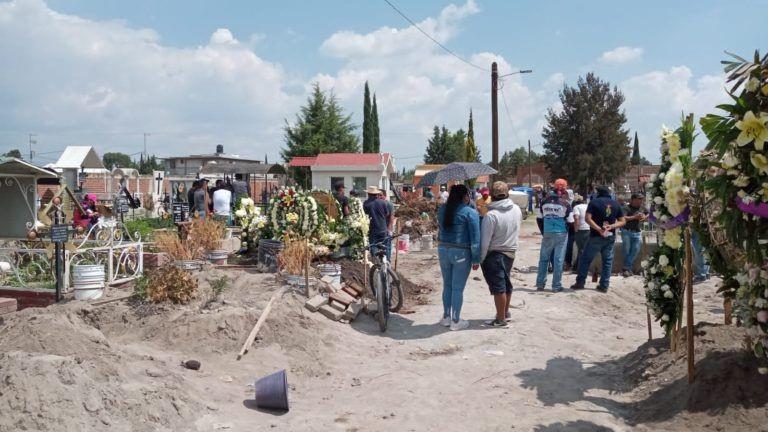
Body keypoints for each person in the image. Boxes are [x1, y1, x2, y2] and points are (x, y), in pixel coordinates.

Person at [437, 184, 480, 331]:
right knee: (457, 288)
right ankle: (456, 320)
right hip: (461, 252)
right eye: (468, 194)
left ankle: (446, 317)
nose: (469, 197)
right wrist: (476, 259)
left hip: (443, 250)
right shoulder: (470, 212)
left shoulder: (442, 209)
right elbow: (475, 240)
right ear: (464, 196)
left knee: (447, 285)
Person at [479, 182, 521, 328]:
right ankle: (505, 313)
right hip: (510, 252)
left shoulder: (491, 216)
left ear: (492, 195)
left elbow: (485, 242)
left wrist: (480, 258)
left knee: (499, 287)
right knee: (506, 284)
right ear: (507, 193)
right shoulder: (516, 209)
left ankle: (500, 319)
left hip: (494, 254)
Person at [571, 185, 626, 292]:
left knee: (586, 259)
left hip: (596, 236)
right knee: (607, 261)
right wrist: (611, 226)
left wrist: (598, 229)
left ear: (598, 193)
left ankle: (580, 282)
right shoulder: (615, 204)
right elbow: (623, 221)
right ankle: (604, 285)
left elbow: (587, 219)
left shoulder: (594, 202)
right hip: (610, 235)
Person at [535, 180, 574, 292]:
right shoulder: (566, 204)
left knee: (544, 259)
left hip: (547, 232)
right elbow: (570, 221)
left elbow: (539, 218)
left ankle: (540, 284)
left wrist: (543, 231)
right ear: (564, 189)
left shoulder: (544, 201)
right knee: (558, 259)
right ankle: (556, 286)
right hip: (561, 233)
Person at [620, 193, 647, 277]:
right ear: (633, 200)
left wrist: (644, 217)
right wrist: (634, 217)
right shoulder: (625, 207)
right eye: (639, 199)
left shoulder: (642, 208)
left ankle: (626, 268)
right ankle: (627, 269)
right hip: (626, 232)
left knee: (635, 250)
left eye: (641, 199)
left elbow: (648, 213)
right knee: (626, 250)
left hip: (637, 232)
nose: (641, 201)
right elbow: (623, 218)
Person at [363, 186, 393, 260]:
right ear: (376, 194)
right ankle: (386, 264)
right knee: (384, 247)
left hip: (373, 229)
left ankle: (376, 263)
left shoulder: (366, 204)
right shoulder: (383, 202)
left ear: (369, 194)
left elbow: (365, 216)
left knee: (373, 246)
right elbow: (387, 214)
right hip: (383, 228)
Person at [571, 194, 590, 272]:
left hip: (581, 230)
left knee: (581, 249)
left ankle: (580, 268)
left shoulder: (576, 207)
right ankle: (577, 266)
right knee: (584, 249)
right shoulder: (587, 206)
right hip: (589, 228)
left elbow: (576, 218)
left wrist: (576, 229)